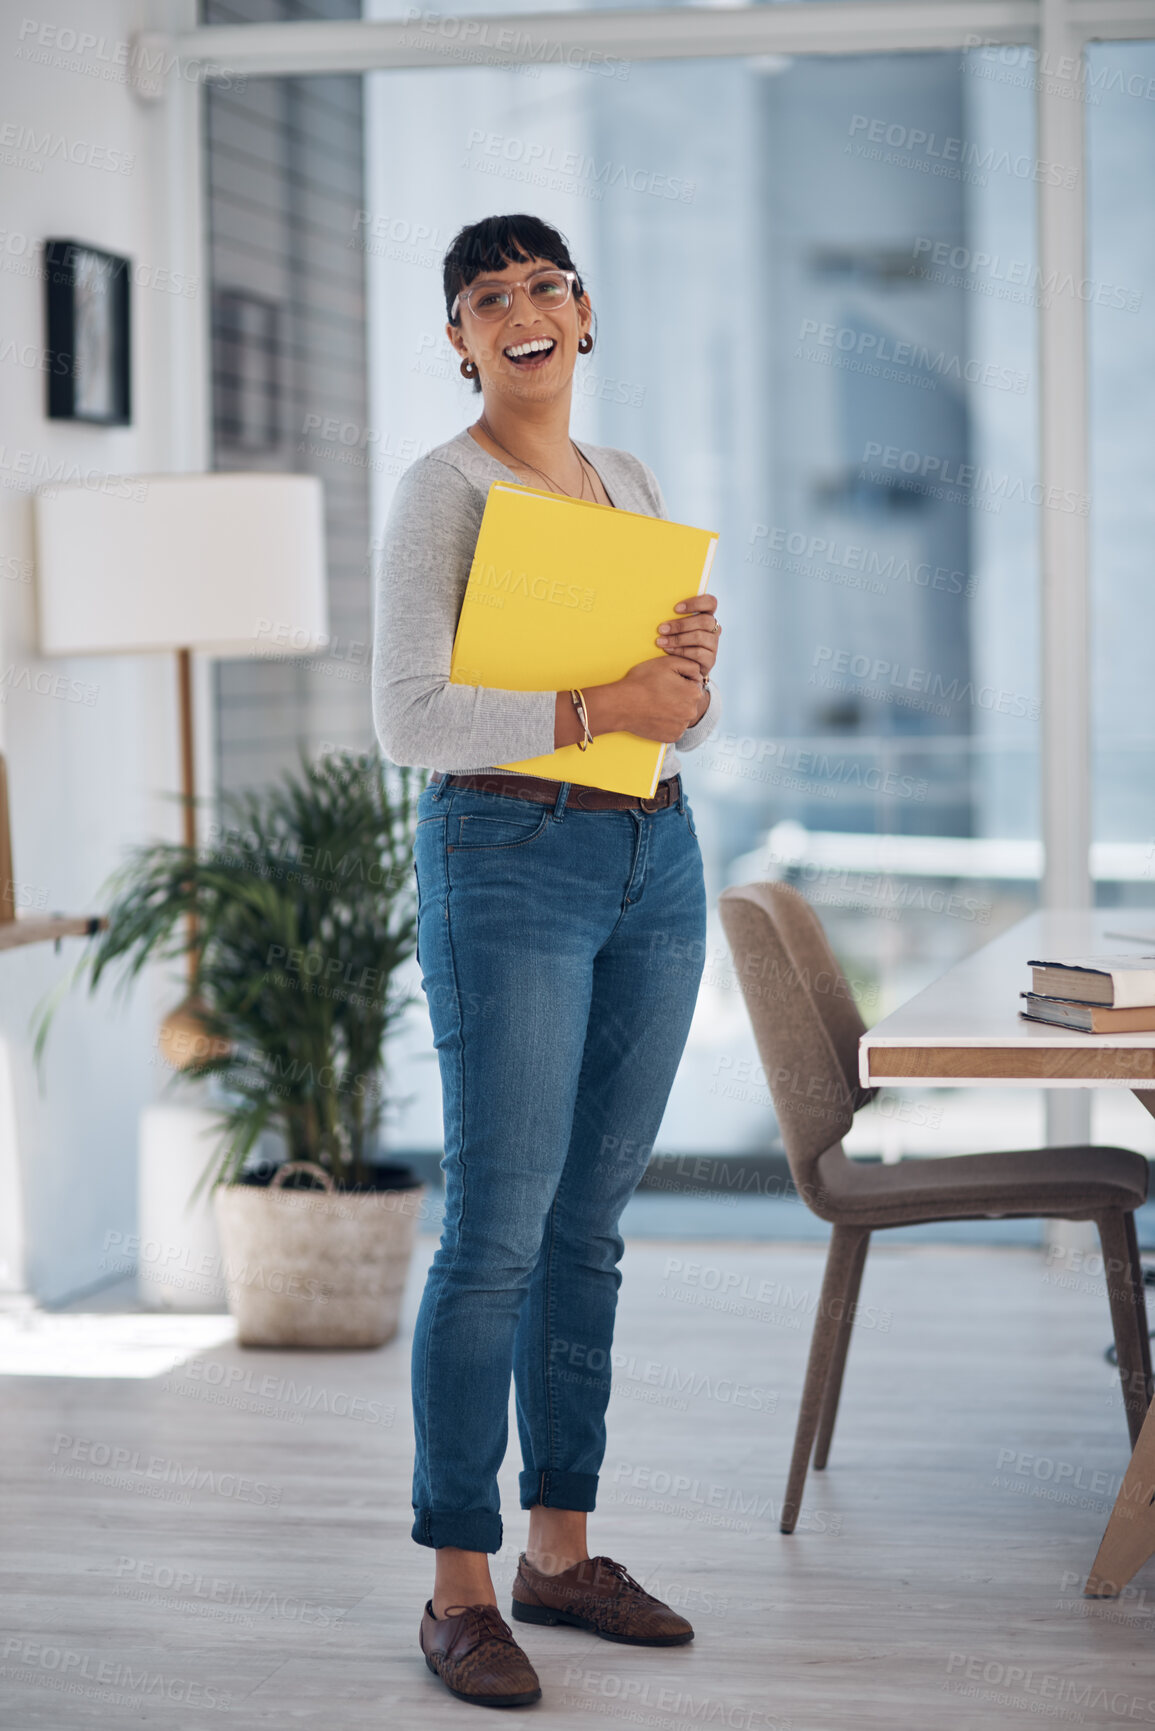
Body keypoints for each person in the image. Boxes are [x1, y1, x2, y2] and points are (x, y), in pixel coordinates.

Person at [372, 213, 723, 1711]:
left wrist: (689, 673)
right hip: (507, 861)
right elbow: (411, 721)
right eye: (487, 297)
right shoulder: (441, 489)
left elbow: (674, 701)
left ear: (586, 313)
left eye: (544, 287)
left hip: (656, 852)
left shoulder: (626, 480)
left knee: (589, 1230)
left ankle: (560, 1553)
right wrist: (600, 703)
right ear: (458, 339)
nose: (521, 311)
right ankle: (457, 1586)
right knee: (496, 1234)